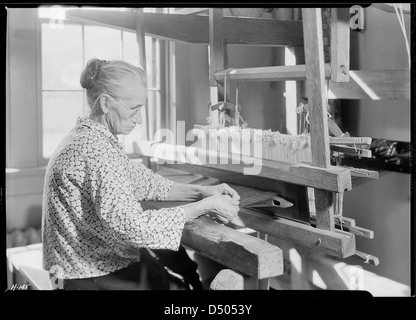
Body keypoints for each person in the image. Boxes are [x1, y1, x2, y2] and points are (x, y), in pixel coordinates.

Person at [42, 59, 240, 290]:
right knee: (178, 285)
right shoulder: (94, 151)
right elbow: (135, 228)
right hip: (87, 275)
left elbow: (142, 181)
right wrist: (206, 207)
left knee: (178, 275)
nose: (139, 119)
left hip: (91, 262)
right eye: (134, 109)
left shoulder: (91, 136)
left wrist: (203, 192)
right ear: (106, 103)